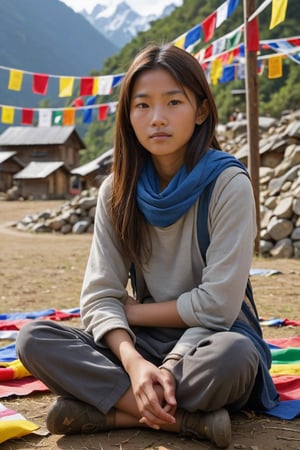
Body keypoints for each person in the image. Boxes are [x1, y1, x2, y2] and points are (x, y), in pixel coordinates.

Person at [17, 43, 279, 449]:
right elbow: (100, 298)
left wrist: (142, 323)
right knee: (34, 339)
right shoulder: (115, 192)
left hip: (212, 341)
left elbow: (216, 307)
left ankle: (108, 410)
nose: (157, 118)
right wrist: (136, 364)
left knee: (235, 359)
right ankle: (184, 420)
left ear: (201, 110)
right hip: (141, 341)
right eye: (142, 105)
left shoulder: (228, 185)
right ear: (128, 116)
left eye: (173, 102)